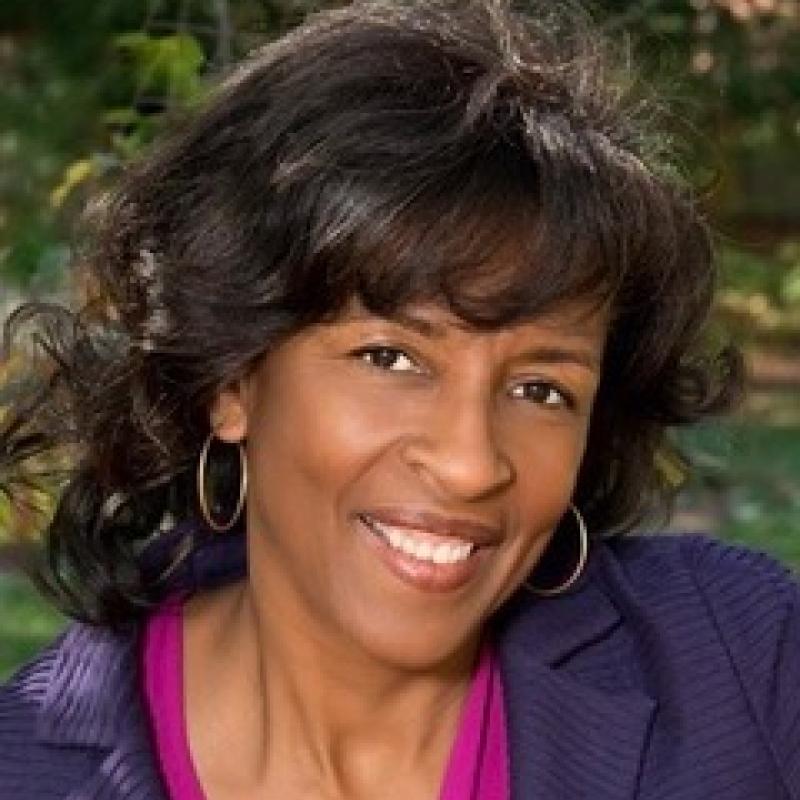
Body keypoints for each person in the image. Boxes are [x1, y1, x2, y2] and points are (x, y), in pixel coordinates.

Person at [1, 0, 799, 798]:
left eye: (540, 388)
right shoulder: (27, 771)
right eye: (390, 357)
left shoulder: (738, 662)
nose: (468, 464)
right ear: (232, 377)